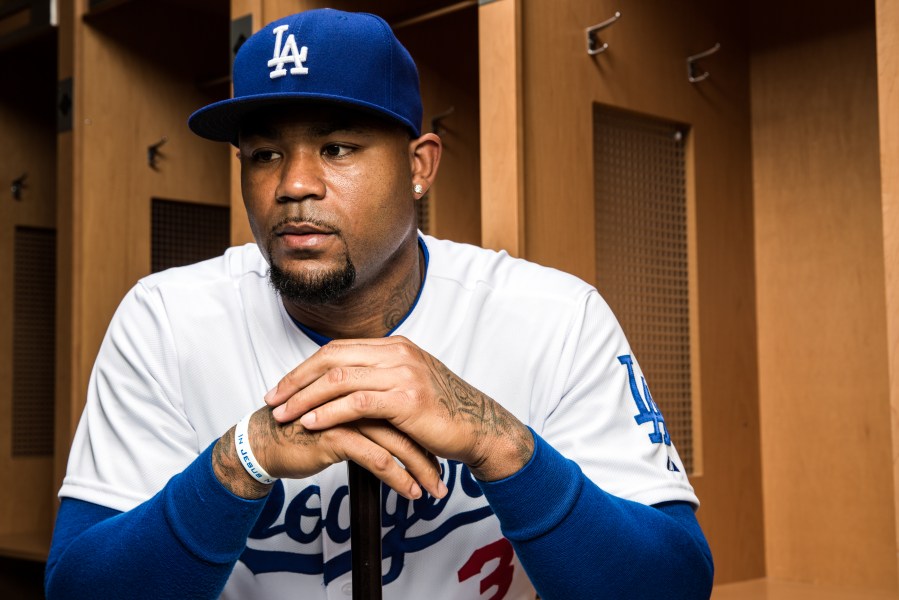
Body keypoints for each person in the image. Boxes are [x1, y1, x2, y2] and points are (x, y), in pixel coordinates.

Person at [45, 8, 713, 599]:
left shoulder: (552, 315)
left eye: (337, 148)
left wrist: (497, 441)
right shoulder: (166, 319)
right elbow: (80, 587)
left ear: (419, 165)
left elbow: (673, 582)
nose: (293, 184)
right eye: (264, 154)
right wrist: (239, 461)